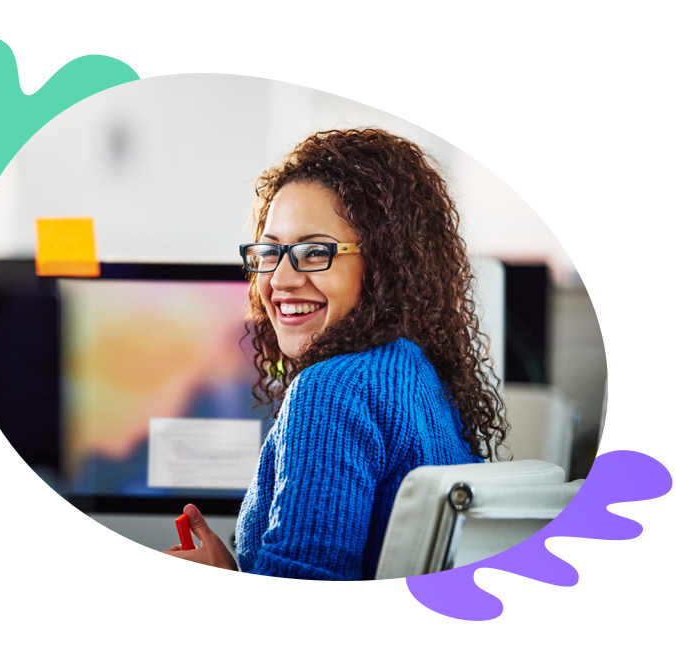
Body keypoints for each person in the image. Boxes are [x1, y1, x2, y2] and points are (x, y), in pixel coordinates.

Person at [162, 128, 508, 579]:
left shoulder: (331, 391)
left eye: (313, 252)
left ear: (385, 264)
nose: (280, 280)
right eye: (270, 252)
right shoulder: (417, 376)